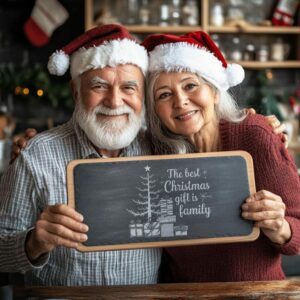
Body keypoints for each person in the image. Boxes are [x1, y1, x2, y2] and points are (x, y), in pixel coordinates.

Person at [0, 24, 161, 286]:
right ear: (76, 93)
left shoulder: (161, 149)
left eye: (129, 88)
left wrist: (239, 122)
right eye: (99, 86)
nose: (115, 101)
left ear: (142, 95)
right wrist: (33, 243)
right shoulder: (36, 155)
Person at [141, 31, 300, 282]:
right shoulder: (150, 151)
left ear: (214, 92)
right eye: (164, 94)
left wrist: (279, 226)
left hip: (258, 294)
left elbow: (297, 232)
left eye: (190, 85)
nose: (181, 101)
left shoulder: (255, 136)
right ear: (155, 111)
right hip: (183, 295)